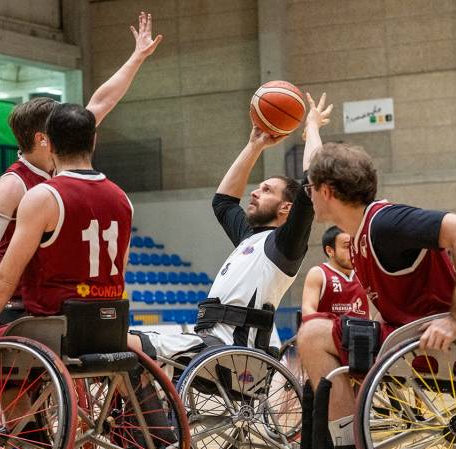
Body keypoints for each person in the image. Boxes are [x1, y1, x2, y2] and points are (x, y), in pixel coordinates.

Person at [0, 103, 134, 449]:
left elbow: (4, 276)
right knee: (11, 360)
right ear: (94, 140)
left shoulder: (43, 194)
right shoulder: (122, 199)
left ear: (50, 143)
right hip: (106, 324)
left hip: (49, 326)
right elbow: (122, 274)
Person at [0, 11, 161, 335]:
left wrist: (136, 58)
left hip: (46, 296)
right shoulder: (14, 183)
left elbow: (103, 100)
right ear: (43, 138)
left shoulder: (64, 158)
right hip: (7, 300)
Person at [293, 142, 456, 449]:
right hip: (404, 342)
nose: (307, 194)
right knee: (320, 336)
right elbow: (315, 164)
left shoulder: (386, 222)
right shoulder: (357, 234)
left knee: (313, 334)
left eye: (310, 188)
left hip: (441, 346)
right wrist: (311, 127)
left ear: (326, 191)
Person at [126, 93, 332, 358]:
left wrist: (312, 126)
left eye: (266, 190)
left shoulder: (283, 246)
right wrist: (255, 145)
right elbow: (223, 202)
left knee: (126, 343)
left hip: (234, 353)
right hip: (207, 344)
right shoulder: (250, 239)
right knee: (121, 345)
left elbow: (312, 180)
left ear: (287, 208)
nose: (255, 193)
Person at [301, 226, 368, 318]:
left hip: (363, 331)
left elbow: (369, 315)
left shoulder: (363, 274)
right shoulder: (318, 274)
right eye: (347, 246)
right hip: (328, 331)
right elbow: (308, 312)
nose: (352, 251)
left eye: (354, 246)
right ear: (330, 251)